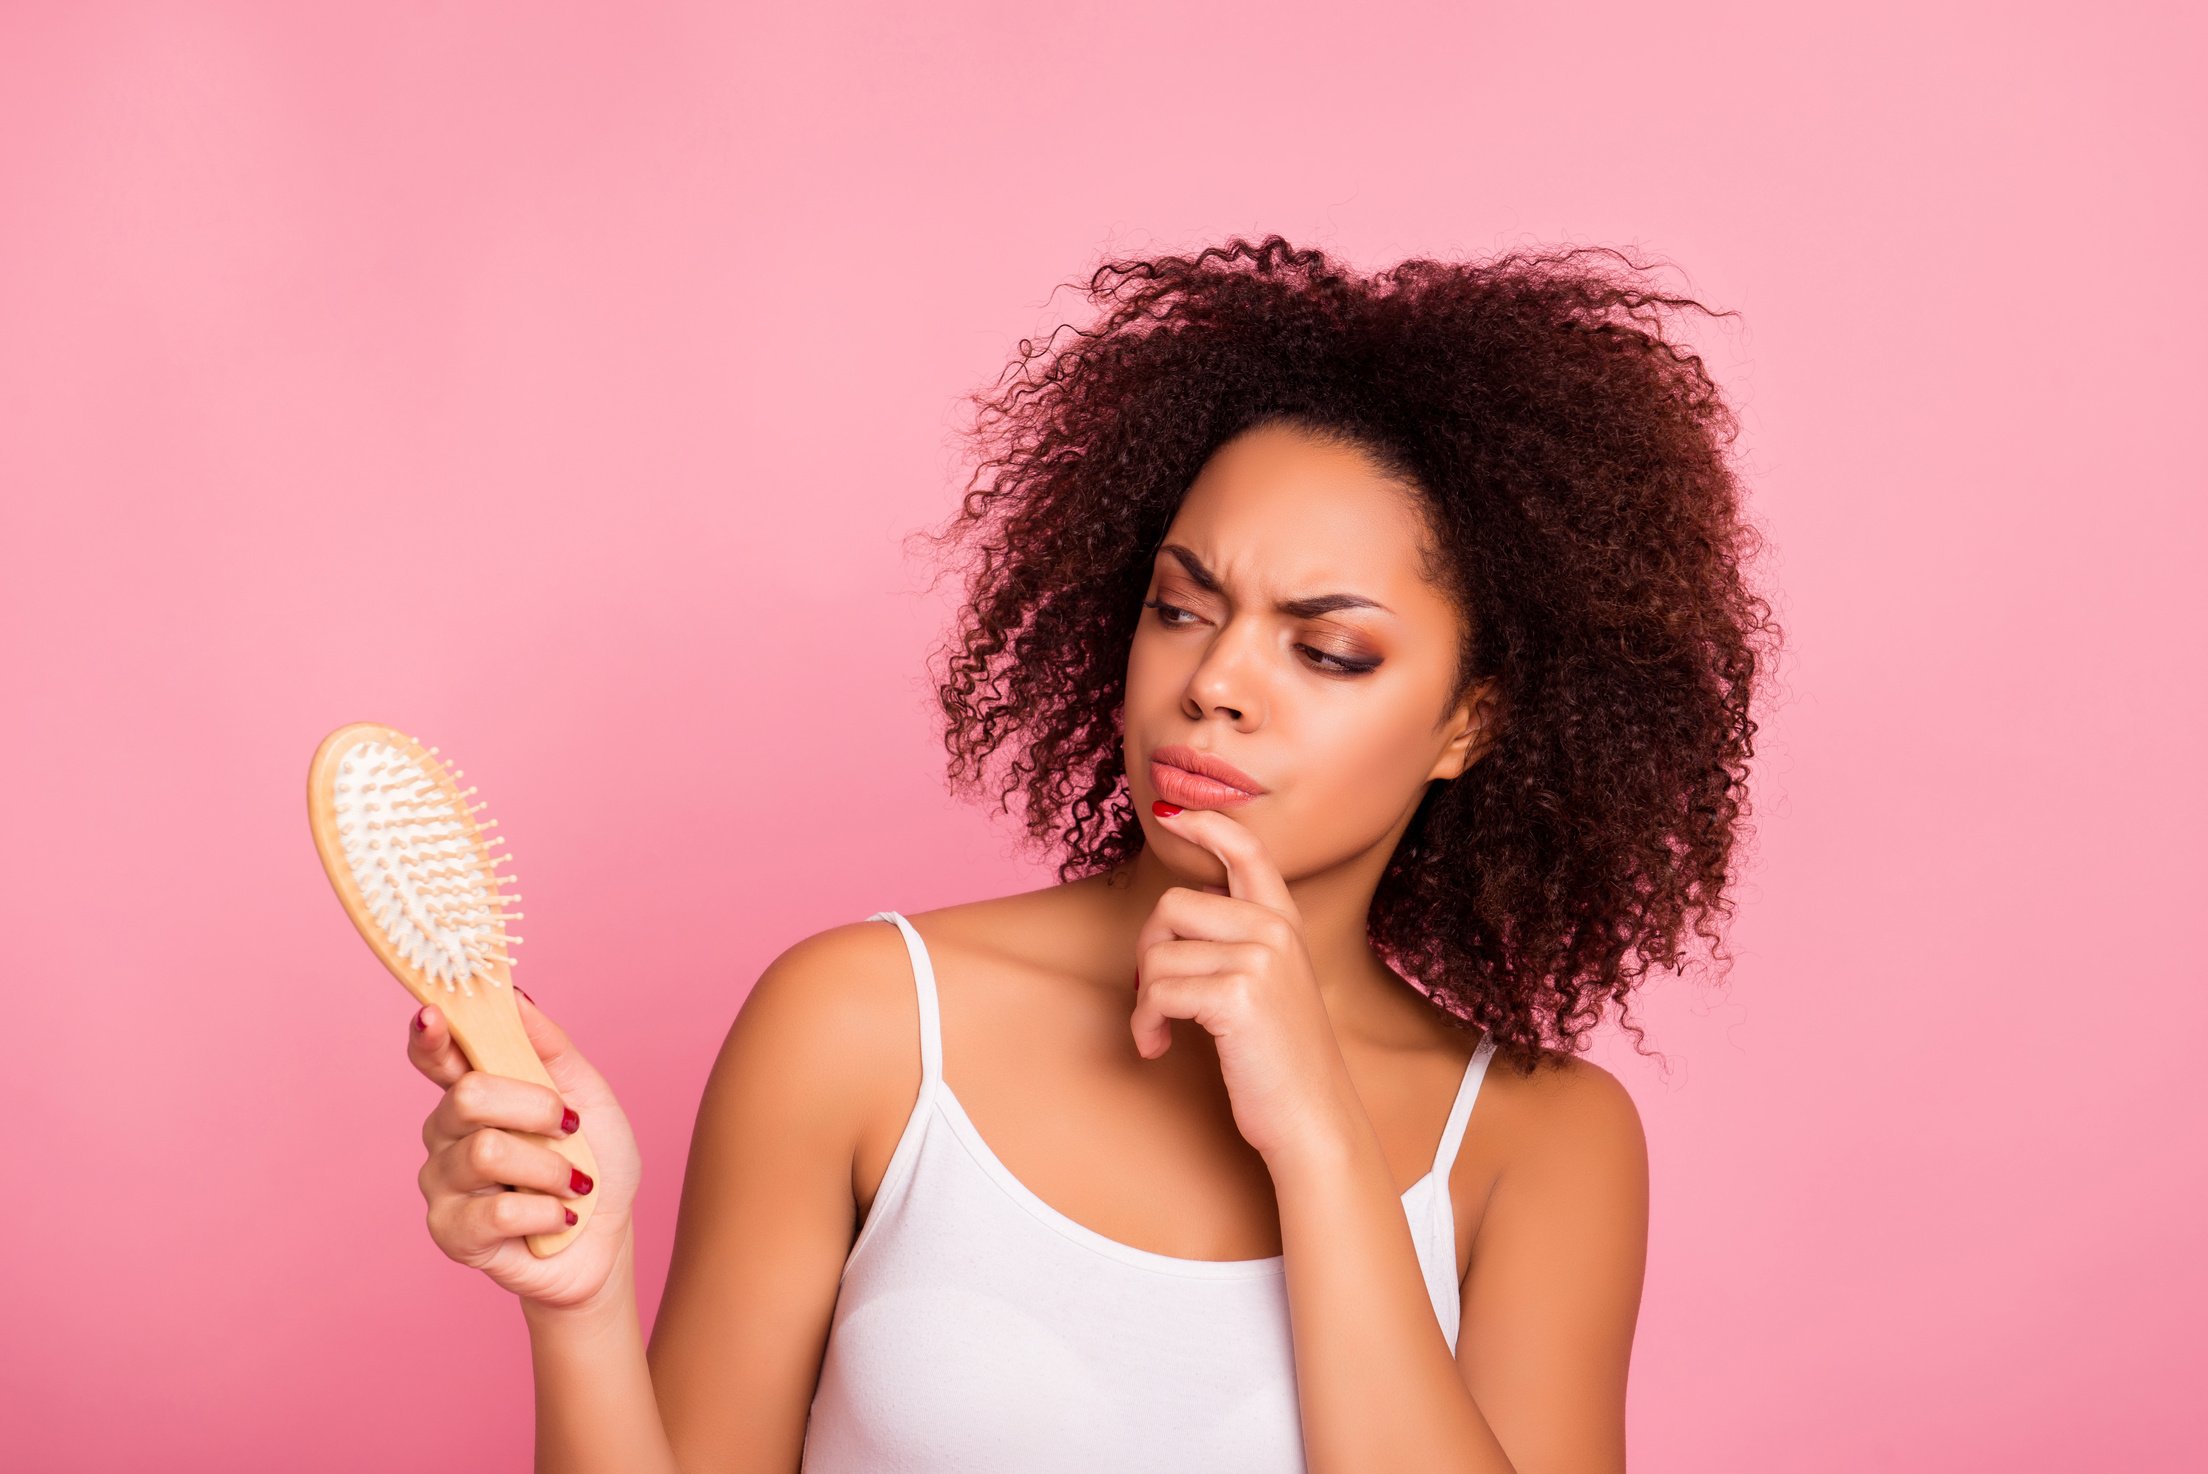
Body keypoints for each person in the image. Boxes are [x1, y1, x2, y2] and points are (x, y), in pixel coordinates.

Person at [404, 235, 1779, 1472]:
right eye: (1184, 607)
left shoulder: (1541, 1145)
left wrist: (1319, 1140)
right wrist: (579, 1304)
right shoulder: (862, 1021)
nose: (1220, 679)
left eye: (1327, 647)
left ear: (1469, 723)